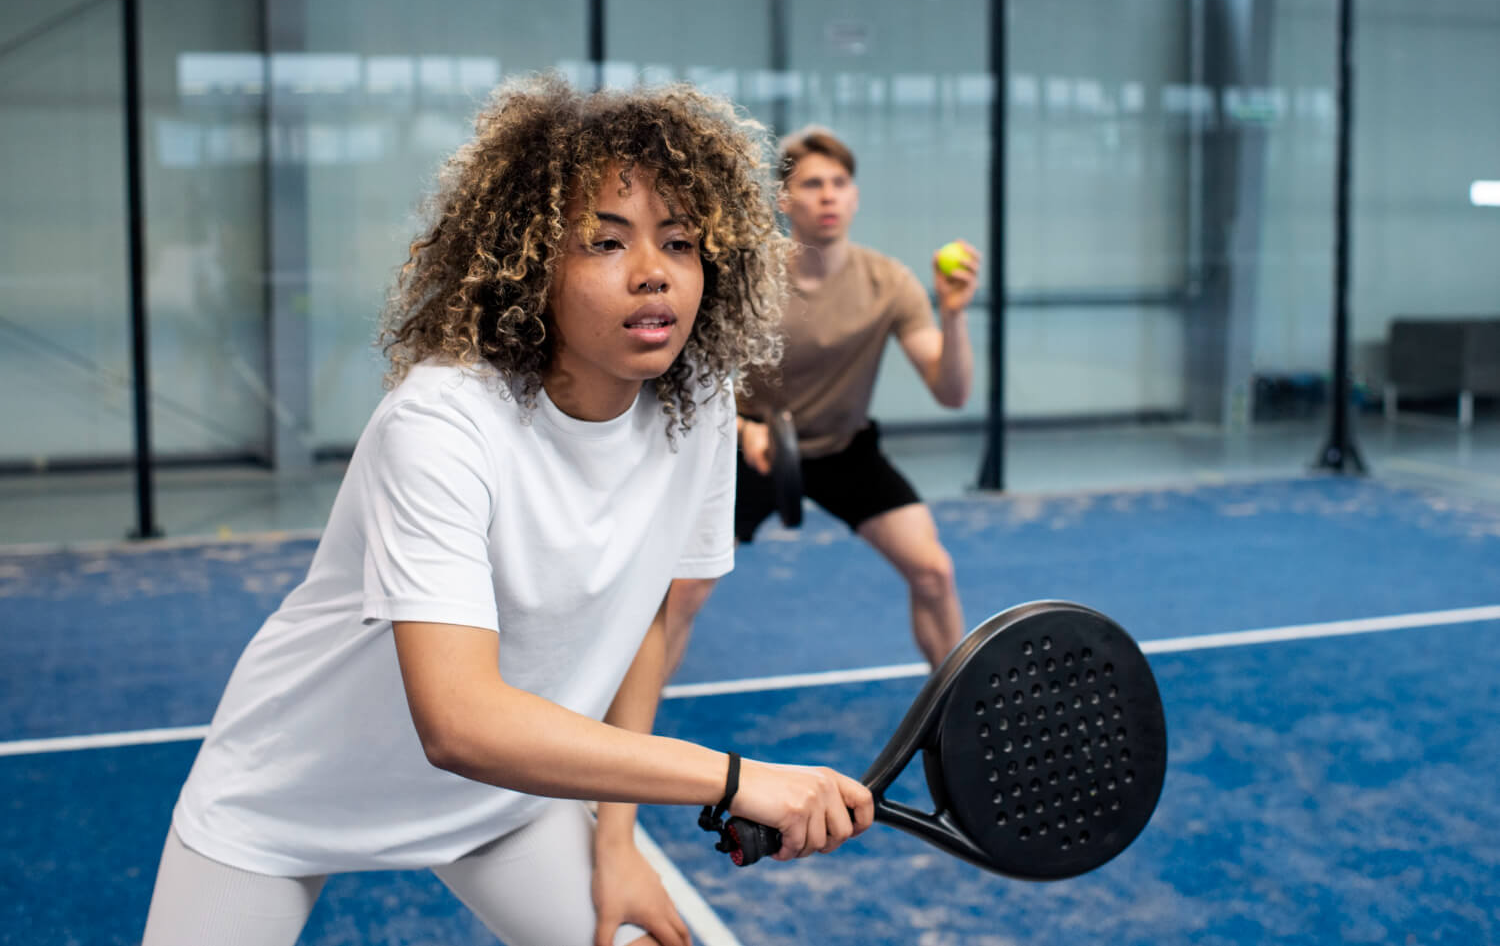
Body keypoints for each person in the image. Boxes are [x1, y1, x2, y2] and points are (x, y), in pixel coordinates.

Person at [140, 77, 873, 946]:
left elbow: (647, 613)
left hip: (505, 804)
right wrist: (733, 778)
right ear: (530, 265)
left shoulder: (699, 399)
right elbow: (459, 721)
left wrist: (618, 835)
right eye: (605, 242)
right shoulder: (441, 422)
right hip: (289, 796)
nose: (653, 271)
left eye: (679, 241)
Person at [665, 125, 980, 676]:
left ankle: (953, 707)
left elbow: (951, 394)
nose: (828, 194)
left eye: (839, 182)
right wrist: (741, 428)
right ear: (785, 200)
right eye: (812, 184)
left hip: (843, 449)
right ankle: (629, 732)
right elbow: (689, 374)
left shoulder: (890, 282)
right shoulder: (750, 279)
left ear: (855, 197)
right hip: (754, 446)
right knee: (683, 589)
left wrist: (953, 314)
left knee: (934, 571)